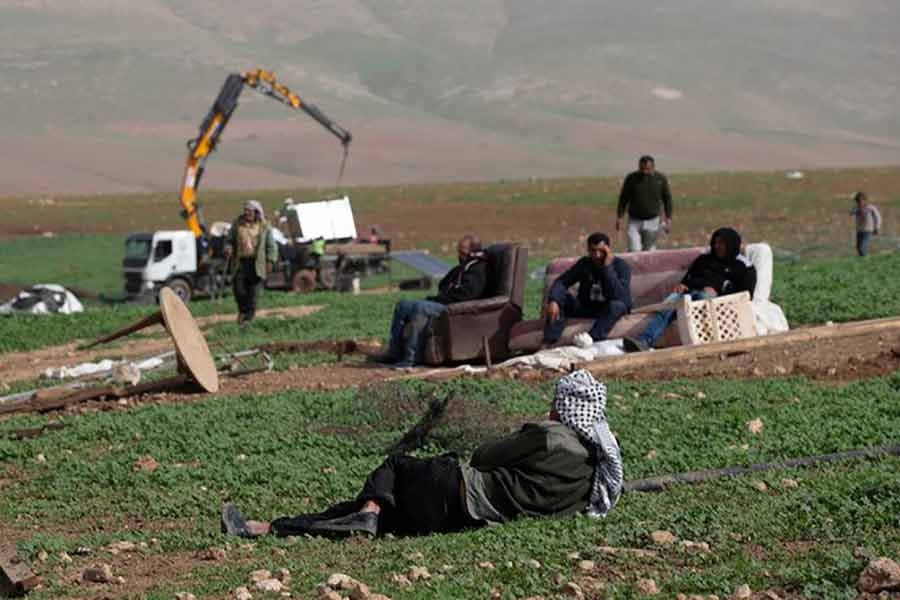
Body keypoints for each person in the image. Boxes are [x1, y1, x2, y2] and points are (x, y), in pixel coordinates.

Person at [220, 369, 623, 539]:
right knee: (381, 509)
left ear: (565, 405)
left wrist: (532, 429)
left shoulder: (551, 436)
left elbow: (484, 457)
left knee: (394, 467)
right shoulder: (595, 474)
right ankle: (266, 528)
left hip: (459, 489)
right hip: (462, 520)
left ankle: (358, 515)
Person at [623, 227, 756, 352]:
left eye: (721, 243)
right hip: (687, 294)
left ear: (731, 244)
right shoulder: (703, 260)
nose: (717, 246)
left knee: (702, 298)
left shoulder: (743, 266)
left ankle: (702, 346)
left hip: (715, 301)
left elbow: (746, 295)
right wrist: (682, 286)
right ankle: (643, 342)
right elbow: (688, 279)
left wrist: (719, 292)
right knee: (667, 306)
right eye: (715, 243)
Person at [379, 235, 489, 368]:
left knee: (420, 308)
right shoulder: (463, 267)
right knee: (402, 306)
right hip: (444, 302)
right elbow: (444, 284)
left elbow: (466, 295)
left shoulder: (479, 270)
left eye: (462, 252)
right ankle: (394, 353)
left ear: (473, 252)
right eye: (459, 251)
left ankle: (411, 358)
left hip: (455, 308)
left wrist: (441, 299)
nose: (459, 255)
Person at [544, 232, 632, 345]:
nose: (597, 255)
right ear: (588, 251)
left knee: (617, 306)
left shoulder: (621, 266)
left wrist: (607, 268)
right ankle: (549, 342)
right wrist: (554, 300)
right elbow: (562, 281)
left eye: (601, 251)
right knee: (562, 299)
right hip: (586, 307)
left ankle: (590, 339)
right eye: (593, 251)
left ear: (608, 250)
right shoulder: (585, 264)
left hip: (608, 309)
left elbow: (619, 296)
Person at [224, 200, 277, 324]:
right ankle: (243, 311)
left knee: (253, 292)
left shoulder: (264, 226)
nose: (246, 213)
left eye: (249, 210)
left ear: (256, 212)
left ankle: (248, 318)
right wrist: (228, 248)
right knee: (239, 290)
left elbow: (271, 246)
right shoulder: (237, 224)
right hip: (240, 262)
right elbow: (229, 240)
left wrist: (270, 260)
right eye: (245, 210)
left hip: (256, 263)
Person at [616, 155, 673, 252]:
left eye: (647, 169)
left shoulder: (660, 179)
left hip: (653, 221)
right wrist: (620, 217)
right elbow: (623, 198)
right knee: (634, 249)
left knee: (649, 250)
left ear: (653, 167)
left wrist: (668, 219)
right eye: (642, 169)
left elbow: (667, 199)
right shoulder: (631, 178)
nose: (644, 172)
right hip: (634, 221)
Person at [849, 191, 882, 257]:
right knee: (858, 247)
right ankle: (863, 260)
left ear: (865, 200)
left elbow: (878, 217)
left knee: (862, 247)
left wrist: (877, 227)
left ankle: (865, 259)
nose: (860, 202)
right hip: (859, 230)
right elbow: (850, 212)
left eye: (861, 200)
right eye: (857, 201)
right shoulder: (856, 208)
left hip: (868, 230)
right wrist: (857, 209)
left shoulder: (870, 208)